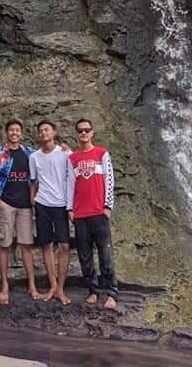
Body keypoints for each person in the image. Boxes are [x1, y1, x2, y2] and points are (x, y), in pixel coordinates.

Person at [0, 118, 40, 304]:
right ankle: (4, 285)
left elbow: (37, 176)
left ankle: (32, 285)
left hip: (25, 207)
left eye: (17, 130)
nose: (14, 133)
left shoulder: (30, 153)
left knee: (27, 246)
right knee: (4, 245)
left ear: (21, 133)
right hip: (6, 204)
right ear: (7, 133)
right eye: (11, 130)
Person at [66, 117, 118, 310]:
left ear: (92, 132)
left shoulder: (102, 154)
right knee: (85, 256)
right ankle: (93, 291)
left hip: (99, 212)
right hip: (80, 214)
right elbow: (70, 184)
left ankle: (112, 293)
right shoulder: (73, 159)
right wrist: (69, 209)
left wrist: (107, 207)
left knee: (105, 254)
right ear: (76, 134)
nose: (84, 133)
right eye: (80, 130)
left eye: (87, 130)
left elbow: (109, 181)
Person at [29, 120, 71, 305]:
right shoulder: (34, 157)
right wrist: (32, 200)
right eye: (40, 131)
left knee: (64, 246)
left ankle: (61, 288)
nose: (43, 133)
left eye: (46, 130)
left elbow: (73, 177)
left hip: (61, 204)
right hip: (42, 203)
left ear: (54, 132)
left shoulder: (64, 153)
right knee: (46, 245)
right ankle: (53, 285)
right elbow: (33, 181)